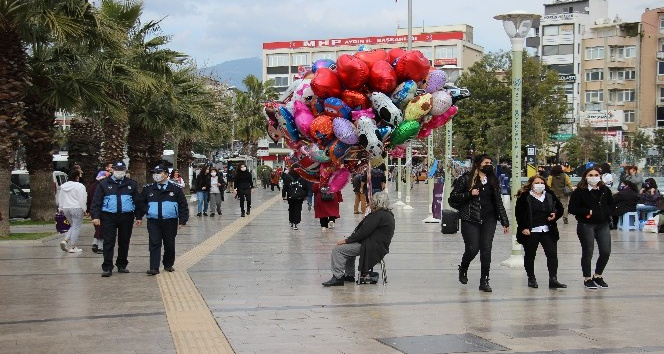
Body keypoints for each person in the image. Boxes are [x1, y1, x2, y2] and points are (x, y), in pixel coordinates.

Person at [448, 154, 509, 293]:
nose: (489, 165)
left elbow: (498, 202)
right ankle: (463, 267)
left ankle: (484, 280)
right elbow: (453, 198)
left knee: (486, 250)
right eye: (486, 162)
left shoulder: (492, 180)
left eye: (490, 162)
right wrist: (469, 194)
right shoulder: (466, 179)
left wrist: (505, 221)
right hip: (470, 218)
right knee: (472, 248)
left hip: (489, 219)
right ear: (478, 164)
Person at [322, 192, 395, 287]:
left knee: (338, 250)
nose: (370, 203)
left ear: (377, 203)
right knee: (347, 249)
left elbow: (363, 232)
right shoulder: (387, 214)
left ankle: (338, 277)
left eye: (372, 201)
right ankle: (349, 275)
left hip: (370, 245)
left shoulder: (378, 215)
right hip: (376, 245)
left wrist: (347, 240)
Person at [90, 161, 142, 277]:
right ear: (112, 170)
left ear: (125, 170)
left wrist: (138, 216)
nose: (119, 171)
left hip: (126, 216)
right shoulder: (103, 184)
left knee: (124, 241)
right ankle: (107, 267)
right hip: (109, 216)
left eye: (122, 169)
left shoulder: (131, 184)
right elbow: (96, 202)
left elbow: (137, 201)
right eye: (117, 169)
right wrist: (96, 216)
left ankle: (122, 264)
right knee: (108, 242)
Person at [515, 175, 567, 289]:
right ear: (531, 184)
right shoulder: (524, 196)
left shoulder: (549, 195)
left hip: (547, 229)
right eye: (536, 182)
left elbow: (560, 208)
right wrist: (524, 227)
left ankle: (553, 279)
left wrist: (555, 215)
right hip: (531, 230)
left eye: (541, 182)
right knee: (530, 255)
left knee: (552, 254)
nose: (539, 185)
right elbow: (519, 213)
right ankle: (531, 278)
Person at [138, 165, 188, 275]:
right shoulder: (148, 189)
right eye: (155, 173)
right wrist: (142, 214)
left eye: (159, 173)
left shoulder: (175, 188)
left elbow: (183, 205)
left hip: (170, 220)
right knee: (154, 243)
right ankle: (154, 267)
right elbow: (141, 202)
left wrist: (183, 220)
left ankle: (168, 264)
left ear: (166, 174)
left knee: (169, 243)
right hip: (153, 220)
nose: (156, 175)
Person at [568, 167, 614, 289]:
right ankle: (587, 278)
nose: (594, 177)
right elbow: (572, 209)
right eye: (591, 175)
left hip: (603, 223)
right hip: (586, 224)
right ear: (586, 177)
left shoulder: (604, 190)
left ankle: (598, 275)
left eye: (596, 175)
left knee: (605, 251)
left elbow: (612, 204)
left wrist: (606, 212)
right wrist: (588, 211)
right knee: (588, 251)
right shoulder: (579, 191)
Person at [58, 169, 88, 253]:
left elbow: (60, 198)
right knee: (76, 227)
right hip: (77, 208)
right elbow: (82, 199)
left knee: (73, 226)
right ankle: (73, 246)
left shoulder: (63, 186)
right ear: (77, 176)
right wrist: (85, 209)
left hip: (66, 208)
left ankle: (65, 240)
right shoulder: (80, 186)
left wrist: (60, 208)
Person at [87, 170, 109, 254]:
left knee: (97, 228)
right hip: (102, 210)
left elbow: (89, 200)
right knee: (101, 229)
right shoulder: (103, 187)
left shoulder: (91, 186)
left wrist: (88, 210)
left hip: (93, 210)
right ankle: (100, 247)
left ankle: (95, 243)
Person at [282, 165, 307, 230]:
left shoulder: (288, 176)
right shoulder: (302, 176)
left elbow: (285, 186)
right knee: (298, 209)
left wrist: (283, 195)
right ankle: (296, 223)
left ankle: (291, 222)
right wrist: (305, 195)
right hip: (299, 196)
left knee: (291, 208)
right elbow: (305, 186)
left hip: (290, 195)